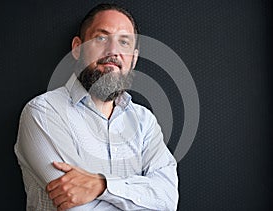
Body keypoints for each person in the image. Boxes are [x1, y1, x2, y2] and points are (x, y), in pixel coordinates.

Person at [15, 3, 178, 211]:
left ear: (134, 59)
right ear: (77, 48)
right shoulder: (44, 113)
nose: (113, 51)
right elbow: (77, 207)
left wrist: (102, 186)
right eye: (101, 38)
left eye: (124, 42)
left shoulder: (145, 122)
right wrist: (140, 196)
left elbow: (168, 199)